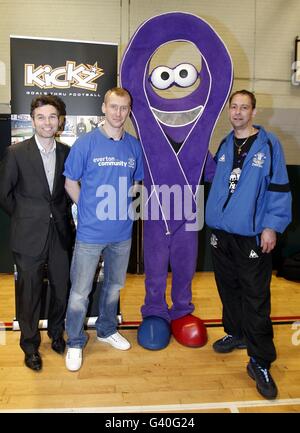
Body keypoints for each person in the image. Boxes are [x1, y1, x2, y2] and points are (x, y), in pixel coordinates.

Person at [205, 89, 292, 400]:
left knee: (255, 298)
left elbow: (279, 188)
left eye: (244, 108)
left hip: (252, 235)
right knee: (228, 290)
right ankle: (236, 333)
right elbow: (217, 182)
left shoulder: (269, 145)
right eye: (234, 107)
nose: (238, 112)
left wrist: (272, 226)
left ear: (254, 112)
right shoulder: (226, 143)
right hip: (221, 233)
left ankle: (260, 361)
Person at [63, 87, 144, 372]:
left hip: (122, 233)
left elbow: (137, 184)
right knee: (81, 291)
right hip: (90, 233)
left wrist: (127, 209)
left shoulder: (134, 146)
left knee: (114, 287)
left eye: (124, 108)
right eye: (113, 106)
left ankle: (107, 329)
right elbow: (70, 182)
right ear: (104, 108)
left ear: (129, 111)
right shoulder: (85, 144)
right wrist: (87, 208)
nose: (118, 113)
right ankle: (74, 340)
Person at [0, 95, 73, 371]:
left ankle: (56, 333)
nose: (47, 122)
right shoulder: (16, 153)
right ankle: (30, 346)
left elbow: (66, 192)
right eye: (41, 117)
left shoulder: (67, 153)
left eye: (52, 117)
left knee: (61, 290)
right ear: (32, 120)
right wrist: (24, 216)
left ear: (59, 121)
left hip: (60, 234)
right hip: (27, 235)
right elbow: (3, 194)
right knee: (29, 294)